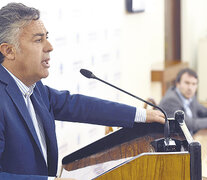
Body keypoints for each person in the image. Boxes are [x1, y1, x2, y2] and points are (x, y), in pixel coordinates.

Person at [0, 2, 165, 180]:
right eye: (38, 40)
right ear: (9, 51)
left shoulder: (35, 88)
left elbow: (80, 106)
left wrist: (142, 115)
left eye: (47, 37)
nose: (49, 47)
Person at [159, 68, 207, 135]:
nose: (190, 88)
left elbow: (202, 111)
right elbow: (189, 124)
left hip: (190, 137)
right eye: (187, 83)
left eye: (194, 84)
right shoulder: (171, 100)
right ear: (178, 83)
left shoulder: (189, 95)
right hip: (176, 140)